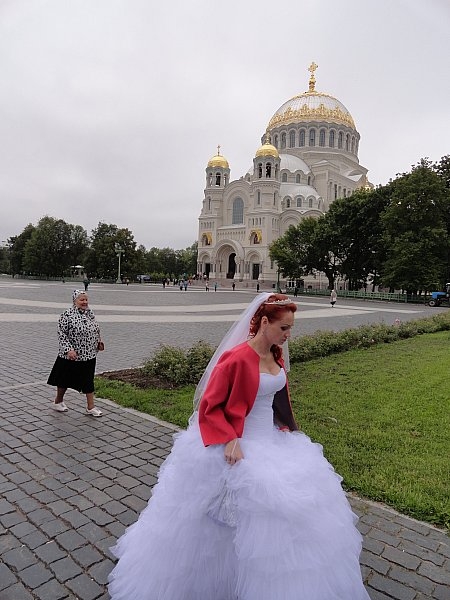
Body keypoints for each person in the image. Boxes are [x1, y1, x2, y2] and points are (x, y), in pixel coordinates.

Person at [108, 293, 370, 599]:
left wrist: (285, 424)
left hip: (272, 439)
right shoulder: (235, 359)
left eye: (290, 329)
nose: (288, 336)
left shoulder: (276, 356)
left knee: (289, 508)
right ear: (262, 322)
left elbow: (275, 399)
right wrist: (230, 438)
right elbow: (210, 407)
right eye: (284, 328)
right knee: (231, 514)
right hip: (238, 441)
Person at [47, 290, 104, 417]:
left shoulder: (90, 313)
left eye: (86, 300)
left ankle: (91, 407)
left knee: (88, 380)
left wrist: (99, 341)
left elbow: (95, 328)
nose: (85, 302)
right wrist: (69, 349)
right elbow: (61, 333)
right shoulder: (67, 315)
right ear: (75, 301)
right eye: (81, 300)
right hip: (71, 355)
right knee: (63, 380)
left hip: (89, 354)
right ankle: (58, 401)